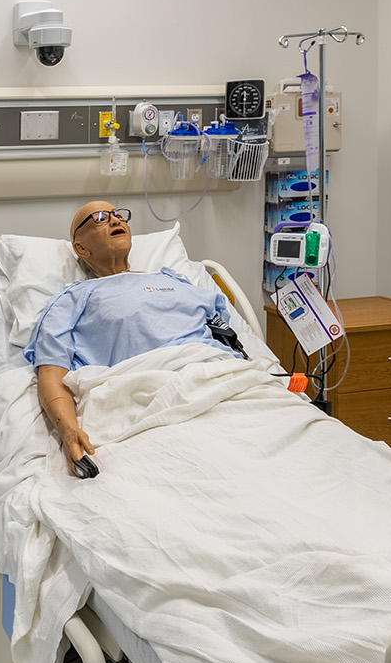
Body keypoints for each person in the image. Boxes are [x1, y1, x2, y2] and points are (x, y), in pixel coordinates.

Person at [26, 200, 242, 473]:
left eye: (119, 215)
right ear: (80, 248)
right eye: (101, 218)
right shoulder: (73, 298)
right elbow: (52, 372)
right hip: (143, 395)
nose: (116, 221)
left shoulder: (173, 279)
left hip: (220, 384)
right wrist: (69, 430)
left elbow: (225, 334)